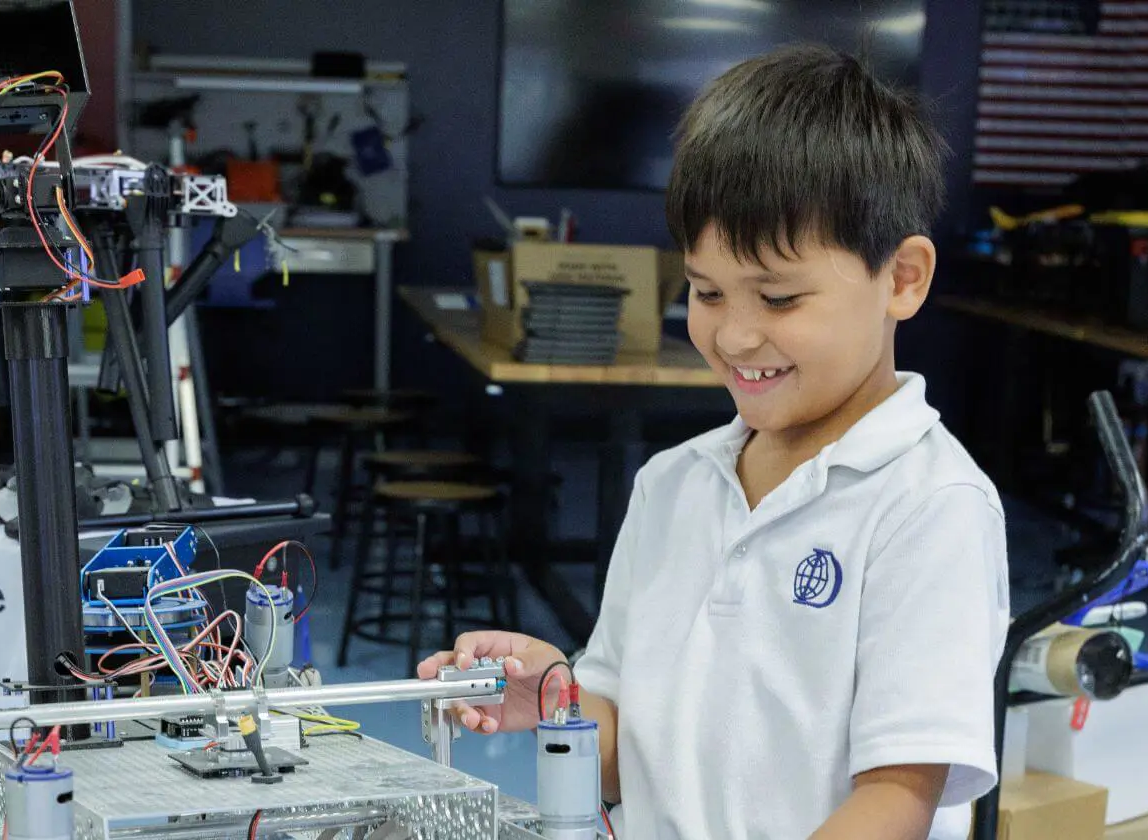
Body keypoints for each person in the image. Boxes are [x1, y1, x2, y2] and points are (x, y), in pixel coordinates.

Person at [418, 43, 1009, 840]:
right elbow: (627, 762)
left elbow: (896, 801)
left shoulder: (930, 505)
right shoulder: (672, 484)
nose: (734, 335)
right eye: (705, 292)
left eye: (779, 296)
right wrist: (558, 695)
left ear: (902, 278)